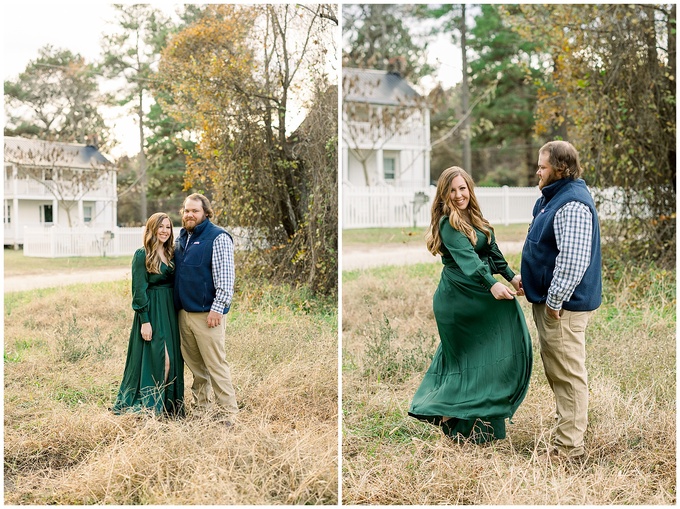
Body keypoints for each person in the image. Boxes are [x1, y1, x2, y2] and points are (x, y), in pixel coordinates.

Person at [408, 167, 532, 443]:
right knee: (466, 363)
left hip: (477, 296)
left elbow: (491, 252)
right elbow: (471, 261)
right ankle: (444, 411)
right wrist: (492, 284)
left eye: (462, 188)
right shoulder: (447, 224)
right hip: (457, 301)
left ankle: (474, 424)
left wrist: (513, 277)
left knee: (486, 358)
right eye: (452, 190)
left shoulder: (475, 218)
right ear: (444, 195)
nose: (458, 195)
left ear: (470, 189)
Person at [521, 140, 602, 460]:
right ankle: (565, 437)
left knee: (568, 377)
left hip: (563, 309)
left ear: (560, 169)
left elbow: (573, 261)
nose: (537, 171)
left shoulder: (573, 204)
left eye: (542, 166)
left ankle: (569, 451)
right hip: (552, 304)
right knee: (559, 374)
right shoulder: (552, 198)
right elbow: (546, 250)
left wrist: (554, 301)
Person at [173, 193, 238, 424]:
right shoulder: (181, 239)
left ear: (206, 214)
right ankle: (202, 411)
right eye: (186, 210)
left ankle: (228, 414)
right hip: (184, 314)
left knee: (216, 365)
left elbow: (226, 278)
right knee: (196, 368)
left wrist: (217, 308)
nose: (190, 214)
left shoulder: (218, 237)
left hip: (207, 315)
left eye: (195, 211)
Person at [113, 212, 185, 417]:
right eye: (160, 227)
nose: (164, 231)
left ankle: (168, 406)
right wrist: (145, 321)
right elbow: (138, 291)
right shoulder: (141, 255)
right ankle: (151, 406)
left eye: (168, 227)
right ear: (151, 229)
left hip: (170, 312)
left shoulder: (172, 253)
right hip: (152, 312)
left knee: (174, 359)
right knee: (160, 358)